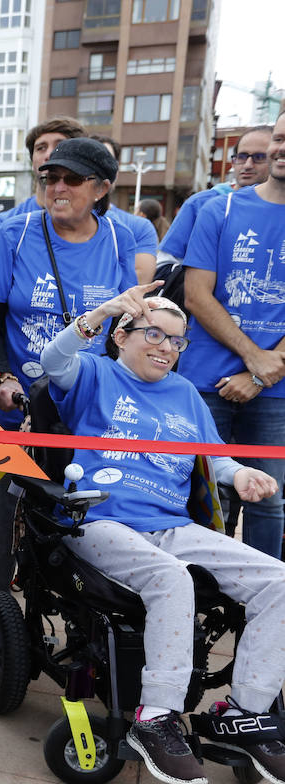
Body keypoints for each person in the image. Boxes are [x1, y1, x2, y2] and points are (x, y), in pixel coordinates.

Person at [40, 285, 285, 784]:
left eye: (177, 341)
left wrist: (238, 474)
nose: (167, 348)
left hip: (171, 526)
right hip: (101, 521)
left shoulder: (185, 394)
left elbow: (213, 455)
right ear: (121, 337)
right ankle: (157, 716)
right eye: (155, 334)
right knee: (174, 580)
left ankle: (244, 712)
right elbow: (52, 358)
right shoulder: (96, 374)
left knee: (279, 580)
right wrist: (102, 312)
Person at [0, 137, 136, 599]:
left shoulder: (121, 240)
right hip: (15, 404)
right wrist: (2, 376)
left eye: (72, 179)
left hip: (84, 409)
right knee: (1, 513)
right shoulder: (14, 233)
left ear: (101, 188)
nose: (58, 187)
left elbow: (123, 326)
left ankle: (63, 607)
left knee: (75, 510)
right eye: (51, 177)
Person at [182, 112, 285, 560]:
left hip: (276, 390)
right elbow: (196, 295)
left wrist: (264, 374)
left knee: (269, 500)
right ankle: (204, 597)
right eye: (280, 138)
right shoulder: (219, 208)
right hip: (208, 382)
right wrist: (253, 357)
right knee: (207, 498)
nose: (281, 149)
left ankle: (266, 599)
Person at [158, 125, 272, 271]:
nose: (248, 165)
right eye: (242, 157)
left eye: (259, 157)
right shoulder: (201, 204)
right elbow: (164, 265)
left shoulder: (279, 209)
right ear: (233, 162)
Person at [92, 135, 157, 283]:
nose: (98, 169)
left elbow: (138, 282)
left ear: (116, 171)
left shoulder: (140, 227)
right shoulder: (58, 221)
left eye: (106, 160)